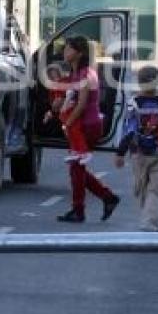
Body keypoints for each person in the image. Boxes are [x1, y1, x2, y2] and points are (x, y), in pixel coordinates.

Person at [56, 35, 120, 223]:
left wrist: (67, 124)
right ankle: (106, 198)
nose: (65, 52)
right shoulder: (76, 74)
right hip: (79, 124)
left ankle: (81, 209)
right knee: (77, 168)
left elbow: (82, 104)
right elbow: (72, 99)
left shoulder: (86, 74)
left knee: (76, 167)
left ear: (79, 53)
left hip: (87, 125)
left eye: (69, 49)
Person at [115, 65, 158, 232]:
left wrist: (120, 153)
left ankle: (149, 219)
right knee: (156, 188)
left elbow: (129, 130)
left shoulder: (132, 104)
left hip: (138, 153)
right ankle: (150, 219)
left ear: (139, 83)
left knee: (144, 186)